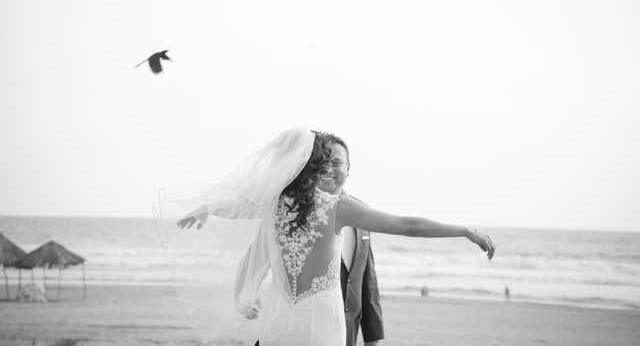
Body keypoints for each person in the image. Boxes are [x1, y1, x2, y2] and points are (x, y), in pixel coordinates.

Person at [171, 128, 495, 346]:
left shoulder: (272, 203)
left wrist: (207, 207)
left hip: (280, 320)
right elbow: (408, 225)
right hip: (322, 323)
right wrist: (464, 230)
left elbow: (235, 206)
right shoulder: (338, 208)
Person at [318, 134, 384, 346]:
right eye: (320, 162)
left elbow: (367, 281)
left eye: (336, 162)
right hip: (308, 328)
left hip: (347, 336)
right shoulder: (295, 212)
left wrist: (373, 338)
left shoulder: (362, 214)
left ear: (348, 168)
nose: (328, 168)